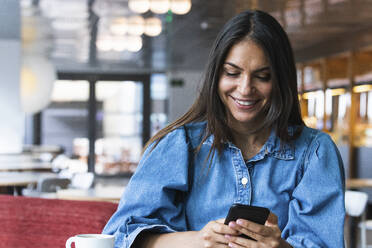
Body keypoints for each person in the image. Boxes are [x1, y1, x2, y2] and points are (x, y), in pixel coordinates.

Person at [103, 9, 345, 248]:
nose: (245, 88)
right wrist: (197, 241)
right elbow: (120, 238)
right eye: (232, 73)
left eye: (262, 76)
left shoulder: (315, 153)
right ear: (215, 76)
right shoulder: (179, 145)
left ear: (281, 81)